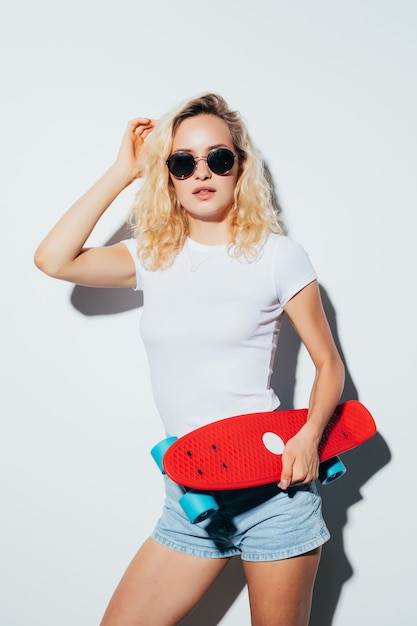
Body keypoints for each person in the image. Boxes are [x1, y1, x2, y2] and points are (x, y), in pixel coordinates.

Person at [35, 93, 345, 626]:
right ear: (169, 175)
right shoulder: (152, 257)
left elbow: (329, 364)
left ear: (239, 168)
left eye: (218, 159)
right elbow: (53, 259)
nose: (202, 173)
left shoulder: (277, 256)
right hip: (189, 493)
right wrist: (122, 171)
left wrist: (310, 434)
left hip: (273, 488)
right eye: (183, 162)